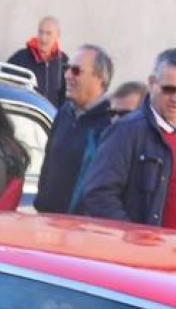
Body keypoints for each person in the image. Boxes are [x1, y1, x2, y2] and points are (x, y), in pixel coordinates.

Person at [72, 48, 176, 234]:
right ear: (152, 84)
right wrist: (134, 238)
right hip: (143, 256)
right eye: (168, 89)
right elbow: (98, 193)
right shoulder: (128, 131)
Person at [34, 44, 116, 215]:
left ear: (100, 79)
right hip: (47, 223)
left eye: (76, 71)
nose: (67, 75)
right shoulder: (65, 112)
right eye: (66, 68)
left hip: (80, 229)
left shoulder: (110, 125)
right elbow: (48, 164)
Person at [7, 16, 67, 109]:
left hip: (51, 118)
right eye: (41, 32)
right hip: (28, 116)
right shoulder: (20, 57)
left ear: (57, 36)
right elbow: (6, 86)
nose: (43, 38)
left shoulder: (63, 61)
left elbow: (67, 97)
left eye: (48, 33)